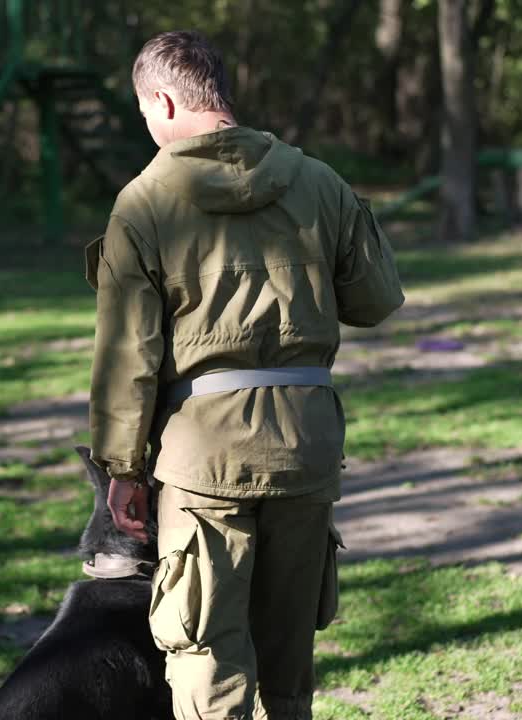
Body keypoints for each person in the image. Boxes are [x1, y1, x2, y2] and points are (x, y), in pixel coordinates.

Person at [85, 30, 404, 720]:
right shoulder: (319, 181)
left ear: (164, 101)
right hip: (307, 446)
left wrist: (122, 469)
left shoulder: (142, 203)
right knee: (288, 663)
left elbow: (126, 356)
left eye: (146, 115)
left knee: (204, 650)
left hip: (202, 457)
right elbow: (376, 302)